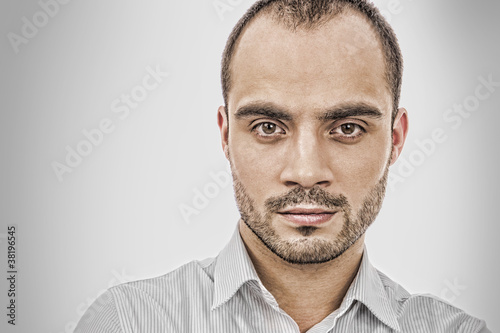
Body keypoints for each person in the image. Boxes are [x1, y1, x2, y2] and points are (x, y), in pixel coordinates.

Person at [75, 0, 490, 332]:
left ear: (395, 139)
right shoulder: (127, 322)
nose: (306, 172)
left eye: (347, 127)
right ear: (225, 136)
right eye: (269, 126)